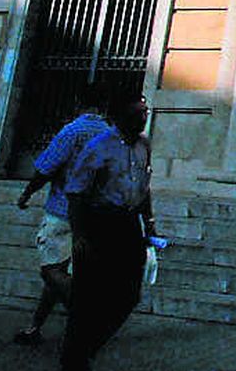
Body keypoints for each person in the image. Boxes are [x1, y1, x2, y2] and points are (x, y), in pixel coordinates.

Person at [59, 93, 156, 371]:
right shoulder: (98, 147)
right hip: (99, 222)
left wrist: (149, 223)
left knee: (128, 295)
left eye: (145, 113)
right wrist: (79, 236)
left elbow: (143, 187)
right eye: (137, 113)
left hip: (127, 224)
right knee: (87, 297)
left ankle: (87, 347)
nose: (143, 118)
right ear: (119, 116)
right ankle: (75, 357)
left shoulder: (143, 146)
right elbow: (76, 193)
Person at [13, 81, 111, 345]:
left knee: (50, 271)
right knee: (60, 275)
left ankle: (86, 318)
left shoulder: (72, 131)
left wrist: (26, 193)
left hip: (63, 212)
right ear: (104, 106)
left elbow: (46, 168)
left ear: (79, 103)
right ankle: (35, 328)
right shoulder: (112, 135)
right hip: (97, 216)